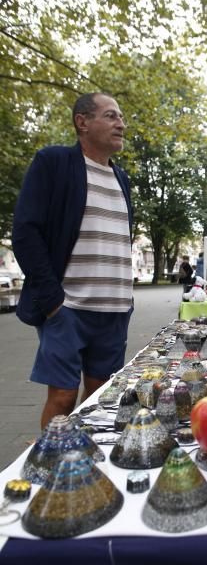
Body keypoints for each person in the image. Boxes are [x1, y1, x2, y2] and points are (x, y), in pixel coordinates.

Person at [12, 92, 133, 428]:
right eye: (111, 116)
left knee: (99, 397)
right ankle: (48, 467)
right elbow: (25, 232)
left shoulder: (121, 179)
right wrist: (52, 301)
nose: (121, 124)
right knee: (63, 396)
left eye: (121, 117)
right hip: (68, 308)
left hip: (114, 312)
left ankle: (82, 465)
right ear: (82, 122)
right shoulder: (54, 163)